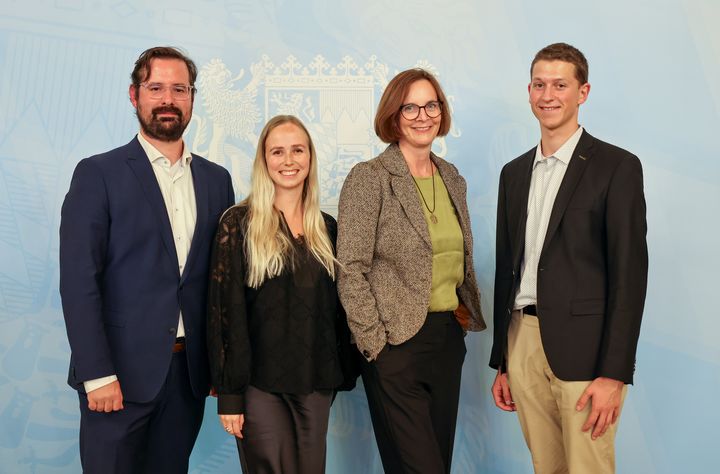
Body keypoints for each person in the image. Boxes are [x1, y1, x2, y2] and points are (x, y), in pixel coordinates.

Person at [59, 46, 235, 473]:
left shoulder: (217, 180)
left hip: (187, 377)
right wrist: (96, 374)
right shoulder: (98, 174)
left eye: (180, 88)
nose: (168, 99)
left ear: (192, 98)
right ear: (134, 95)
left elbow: (219, 284)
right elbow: (79, 281)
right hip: (116, 377)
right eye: (156, 88)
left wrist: (220, 366)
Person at [490, 42, 648, 473]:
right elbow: (509, 267)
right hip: (522, 341)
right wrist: (503, 361)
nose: (548, 95)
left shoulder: (617, 167)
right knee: (546, 467)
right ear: (528, 91)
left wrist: (614, 373)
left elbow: (629, 278)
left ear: (583, 91)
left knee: (588, 468)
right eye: (539, 84)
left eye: (560, 84)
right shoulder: (513, 173)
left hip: (586, 350)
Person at [337, 68, 485, 473]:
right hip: (395, 344)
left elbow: (458, 260)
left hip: (446, 339)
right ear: (393, 115)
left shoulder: (452, 178)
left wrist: (458, 322)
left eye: (431, 104)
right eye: (411, 107)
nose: (423, 115)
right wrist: (377, 346)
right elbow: (349, 267)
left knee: (437, 461)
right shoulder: (370, 178)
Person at [206, 115, 357, 474]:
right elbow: (224, 311)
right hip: (258, 386)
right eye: (278, 151)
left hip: (316, 384)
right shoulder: (238, 223)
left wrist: (342, 372)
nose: (288, 161)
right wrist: (229, 394)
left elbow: (336, 311)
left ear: (310, 158)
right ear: (264, 160)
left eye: (297, 150)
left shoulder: (328, 228)